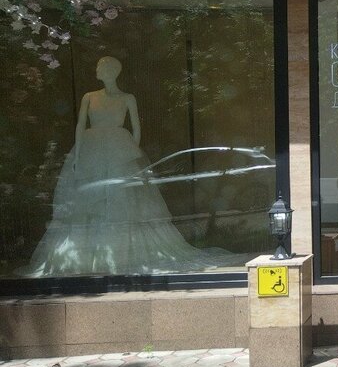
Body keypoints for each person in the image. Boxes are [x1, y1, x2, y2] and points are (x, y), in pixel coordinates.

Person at [22, 56, 229, 276]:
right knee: (91, 201)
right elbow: (80, 125)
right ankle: (89, 258)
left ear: (111, 71)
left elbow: (136, 128)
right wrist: (78, 156)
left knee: (124, 201)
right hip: (93, 151)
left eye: (100, 67)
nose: (96, 70)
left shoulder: (128, 98)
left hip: (120, 149)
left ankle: (122, 256)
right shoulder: (89, 97)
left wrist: (131, 155)